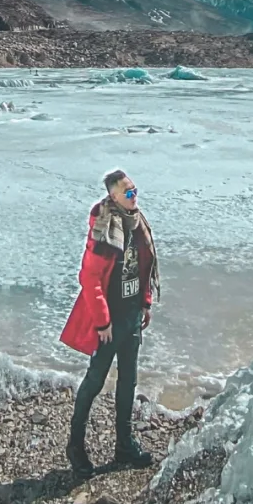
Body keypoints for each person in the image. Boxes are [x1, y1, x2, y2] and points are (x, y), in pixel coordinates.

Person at [60, 168, 160, 478]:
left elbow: (144, 266)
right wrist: (103, 322)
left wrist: (145, 303)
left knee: (128, 380)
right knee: (95, 380)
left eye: (135, 190)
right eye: (128, 193)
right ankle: (75, 445)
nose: (134, 196)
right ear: (113, 197)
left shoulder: (138, 223)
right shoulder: (104, 227)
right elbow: (89, 277)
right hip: (110, 319)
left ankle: (125, 446)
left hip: (131, 315)